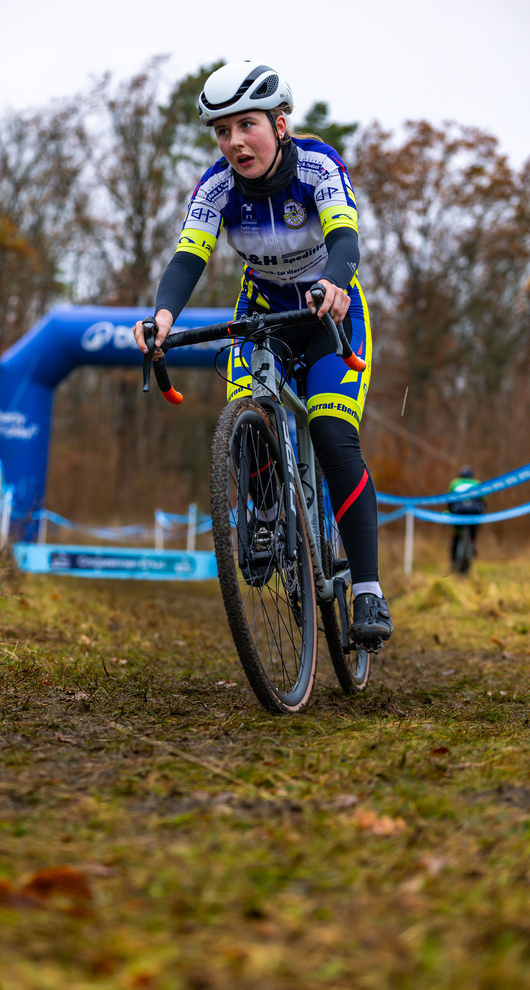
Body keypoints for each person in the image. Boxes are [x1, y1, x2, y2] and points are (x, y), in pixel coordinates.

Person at [134, 61, 393, 648]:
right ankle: (270, 518)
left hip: (330, 312)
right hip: (261, 313)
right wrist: (162, 317)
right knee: (250, 419)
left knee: (330, 434)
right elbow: (187, 258)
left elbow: (345, 238)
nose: (233, 142)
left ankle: (369, 591)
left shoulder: (318, 166)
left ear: (280, 123)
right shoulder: (217, 186)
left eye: (246, 126)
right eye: (221, 131)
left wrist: (333, 282)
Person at [447, 466, 486, 568]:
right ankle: (473, 543)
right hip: (474, 512)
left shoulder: (454, 483)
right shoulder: (477, 483)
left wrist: (449, 513)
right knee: (474, 529)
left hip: (458, 511)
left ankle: (453, 560)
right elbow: (483, 501)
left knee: (456, 536)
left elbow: (448, 500)